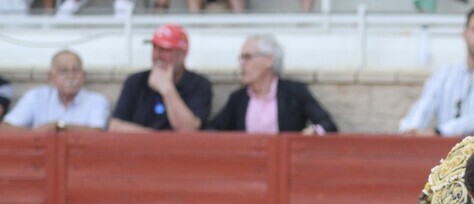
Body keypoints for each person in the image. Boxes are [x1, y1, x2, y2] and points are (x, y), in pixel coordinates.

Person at [398, 5, 474, 138]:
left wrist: (439, 132)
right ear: (464, 33)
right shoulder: (444, 73)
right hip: (442, 151)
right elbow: (424, 105)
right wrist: (411, 129)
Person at [207, 34, 337, 134]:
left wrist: (312, 133)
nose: (242, 64)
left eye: (247, 57)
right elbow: (212, 130)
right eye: (241, 58)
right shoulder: (238, 98)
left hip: (286, 166)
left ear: (269, 60)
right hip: (248, 166)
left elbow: (327, 125)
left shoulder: (295, 92)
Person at [109, 24, 212, 133]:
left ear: (182, 54)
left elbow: (188, 130)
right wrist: (156, 139)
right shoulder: (135, 81)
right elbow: (115, 127)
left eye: (165, 50)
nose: (157, 55)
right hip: (141, 148)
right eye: (155, 48)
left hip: (180, 149)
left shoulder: (199, 84)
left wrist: (167, 89)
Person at [0, 50, 109, 132]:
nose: (71, 76)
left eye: (76, 70)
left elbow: (98, 132)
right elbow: (5, 128)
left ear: (84, 76)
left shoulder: (97, 101)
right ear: (51, 76)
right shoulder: (36, 97)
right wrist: (36, 134)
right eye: (63, 71)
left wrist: (58, 127)